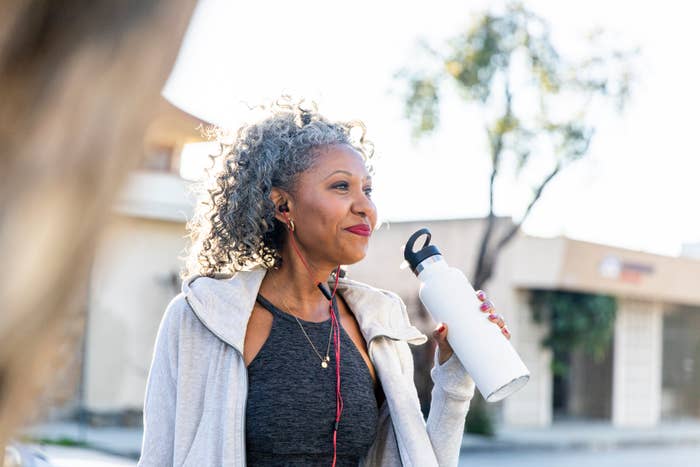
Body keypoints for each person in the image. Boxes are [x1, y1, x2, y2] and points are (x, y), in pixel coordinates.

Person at [137, 98, 511, 467]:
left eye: (367, 189)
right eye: (341, 187)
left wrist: (454, 373)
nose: (365, 206)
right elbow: (159, 456)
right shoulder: (202, 319)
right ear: (283, 206)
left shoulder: (378, 324)